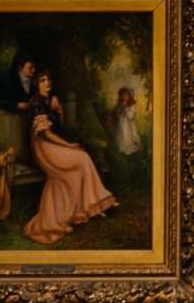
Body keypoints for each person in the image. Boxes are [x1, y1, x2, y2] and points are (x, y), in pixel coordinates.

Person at [22, 72, 116, 245]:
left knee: (82, 160)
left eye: (49, 79)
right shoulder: (36, 105)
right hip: (44, 148)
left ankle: (91, 206)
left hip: (53, 144)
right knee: (82, 158)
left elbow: (58, 127)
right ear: (37, 84)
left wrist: (61, 111)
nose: (47, 82)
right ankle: (96, 202)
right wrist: (69, 146)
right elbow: (47, 134)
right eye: (42, 80)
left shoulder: (51, 101)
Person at [108, 87, 142, 155]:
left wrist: (126, 107)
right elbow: (114, 111)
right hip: (121, 127)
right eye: (122, 95)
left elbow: (130, 116)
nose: (123, 97)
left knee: (128, 142)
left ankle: (130, 156)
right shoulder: (119, 104)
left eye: (125, 95)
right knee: (121, 140)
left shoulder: (132, 106)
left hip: (129, 128)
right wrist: (116, 114)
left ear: (130, 96)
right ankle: (122, 155)